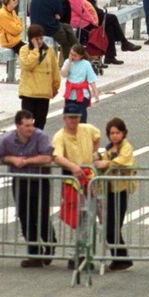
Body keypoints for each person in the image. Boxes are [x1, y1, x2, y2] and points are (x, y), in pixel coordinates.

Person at [0, 109, 57, 267]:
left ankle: (50, 243)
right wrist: (13, 159)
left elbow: (47, 157)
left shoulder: (40, 136)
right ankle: (34, 253)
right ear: (18, 126)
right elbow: (1, 155)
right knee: (24, 216)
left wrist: (27, 161)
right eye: (26, 125)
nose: (30, 128)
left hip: (39, 180)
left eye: (32, 125)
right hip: (20, 181)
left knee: (41, 215)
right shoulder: (8, 139)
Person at [50, 103, 101, 269]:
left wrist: (94, 153)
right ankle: (76, 254)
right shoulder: (60, 136)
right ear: (64, 118)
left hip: (89, 178)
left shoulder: (87, 129)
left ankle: (82, 254)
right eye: (71, 118)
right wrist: (73, 166)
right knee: (78, 218)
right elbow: (57, 156)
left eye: (76, 118)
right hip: (72, 181)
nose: (74, 121)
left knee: (90, 218)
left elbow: (97, 136)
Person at [93, 116, 136, 271]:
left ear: (123, 133)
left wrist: (106, 163)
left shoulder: (126, 147)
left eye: (117, 132)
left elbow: (124, 161)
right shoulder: (108, 149)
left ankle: (122, 258)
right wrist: (98, 159)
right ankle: (120, 258)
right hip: (108, 191)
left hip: (120, 191)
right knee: (109, 227)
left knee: (113, 226)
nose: (115, 135)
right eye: (112, 133)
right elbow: (103, 164)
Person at [18, 24, 60, 131]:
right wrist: (35, 50)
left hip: (43, 93)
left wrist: (55, 86)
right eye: (36, 39)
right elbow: (27, 64)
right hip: (28, 93)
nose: (40, 41)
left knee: (40, 122)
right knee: (26, 122)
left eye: (41, 38)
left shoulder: (49, 50)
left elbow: (55, 70)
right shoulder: (24, 50)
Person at [60, 44, 100, 122]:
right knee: (69, 117)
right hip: (70, 94)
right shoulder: (67, 62)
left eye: (75, 55)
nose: (72, 56)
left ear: (81, 56)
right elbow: (63, 74)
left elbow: (91, 80)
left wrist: (96, 93)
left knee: (81, 117)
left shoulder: (86, 64)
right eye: (71, 54)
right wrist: (69, 63)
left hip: (82, 94)